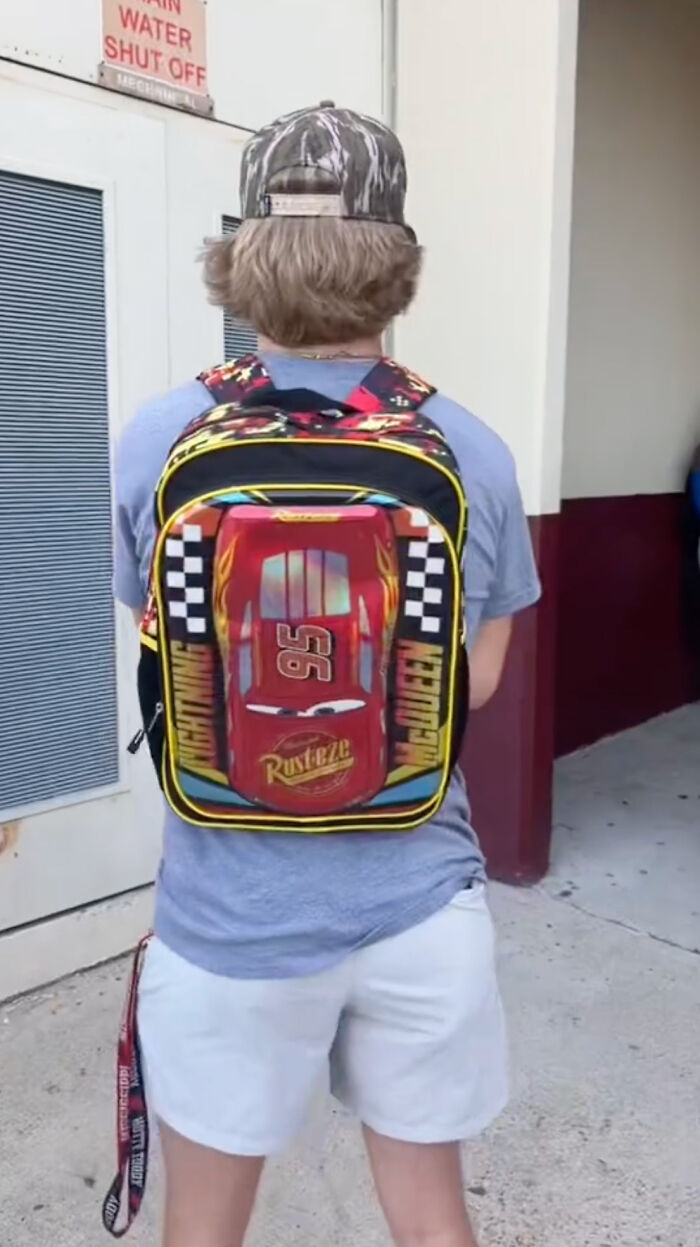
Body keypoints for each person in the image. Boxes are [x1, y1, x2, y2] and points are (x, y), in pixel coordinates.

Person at [114, 102, 541, 1247]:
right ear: (396, 263)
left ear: (240, 250)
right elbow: (476, 686)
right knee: (431, 1215)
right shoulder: (471, 449)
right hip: (417, 895)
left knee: (202, 1227)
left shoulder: (159, 436)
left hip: (225, 911)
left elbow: (167, 644)